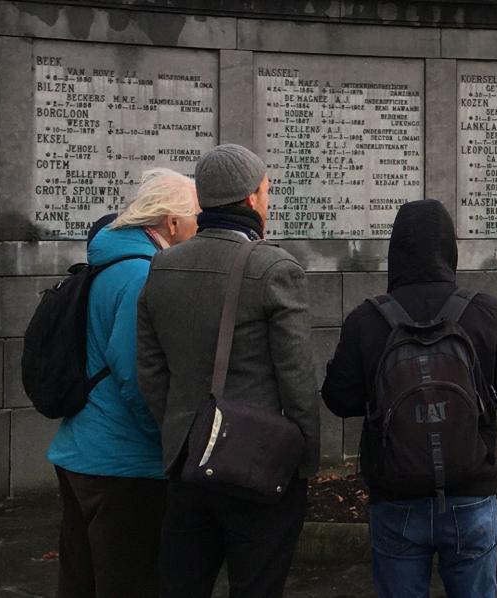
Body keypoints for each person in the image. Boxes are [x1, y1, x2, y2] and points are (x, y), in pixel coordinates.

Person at [321, 199, 497, 598]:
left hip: (396, 494)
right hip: (470, 490)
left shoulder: (367, 319)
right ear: (449, 249)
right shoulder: (481, 310)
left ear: (395, 249)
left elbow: (338, 399)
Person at [136, 144, 320, 598]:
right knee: (256, 585)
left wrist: (181, 428)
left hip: (187, 460)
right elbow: (296, 377)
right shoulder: (273, 267)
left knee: (184, 585)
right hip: (256, 464)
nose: (268, 200)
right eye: (266, 190)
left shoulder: (163, 264)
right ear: (252, 198)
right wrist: (305, 459)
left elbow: (151, 369)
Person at [48, 168, 199, 598]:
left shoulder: (109, 263)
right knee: (129, 583)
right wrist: (169, 443)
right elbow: (138, 377)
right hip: (124, 464)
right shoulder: (140, 276)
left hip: (83, 450)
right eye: (195, 219)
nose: (199, 229)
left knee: (81, 583)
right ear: (172, 223)